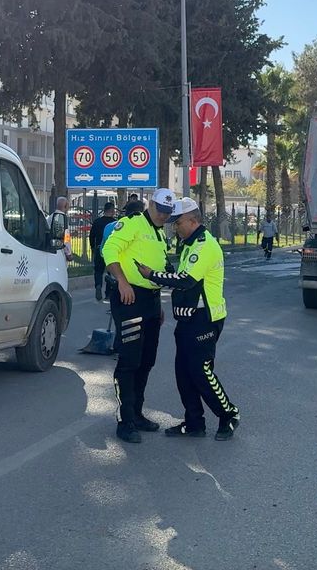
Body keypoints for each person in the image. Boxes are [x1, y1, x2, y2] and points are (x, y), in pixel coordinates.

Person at [136, 198, 240, 441]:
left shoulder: (205, 245)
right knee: (183, 373)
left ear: (194, 221)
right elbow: (182, 276)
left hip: (204, 318)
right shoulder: (189, 244)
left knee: (201, 371)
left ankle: (229, 414)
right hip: (187, 319)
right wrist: (164, 271)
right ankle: (194, 422)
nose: (175, 227)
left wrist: (153, 275)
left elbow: (187, 281)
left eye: (178, 222)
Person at [101, 188, 177, 443]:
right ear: (151, 205)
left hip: (151, 303)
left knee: (147, 360)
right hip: (129, 299)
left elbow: (155, 266)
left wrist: (158, 305)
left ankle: (137, 413)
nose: (165, 216)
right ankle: (125, 421)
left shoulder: (158, 233)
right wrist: (122, 281)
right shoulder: (131, 224)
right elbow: (109, 251)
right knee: (130, 360)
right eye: (161, 211)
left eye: (169, 213)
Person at [88, 202, 117, 302]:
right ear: (112, 211)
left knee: (98, 271)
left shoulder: (97, 222)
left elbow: (92, 236)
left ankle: (98, 286)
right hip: (111, 251)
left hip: (99, 249)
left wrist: (93, 248)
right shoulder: (115, 223)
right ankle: (108, 293)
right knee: (111, 272)